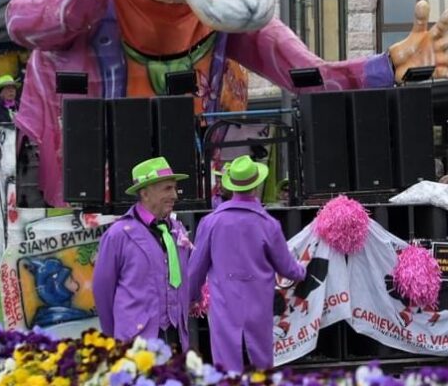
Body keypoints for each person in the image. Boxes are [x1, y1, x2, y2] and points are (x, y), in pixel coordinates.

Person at [185, 156, 305, 373]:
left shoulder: (211, 222)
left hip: (223, 301)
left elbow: (195, 270)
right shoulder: (268, 224)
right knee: (262, 364)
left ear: (231, 185)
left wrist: (193, 297)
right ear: (257, 183)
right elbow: (288, 269)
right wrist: (302, 270)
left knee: (225, 364)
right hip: (258, 302)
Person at [92, 157, 192, 346]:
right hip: (136, 340)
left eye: (174, 188)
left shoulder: (177, 230)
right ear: (145, 193)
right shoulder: (118, 235)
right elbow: (102, 292)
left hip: (176, 336)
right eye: (167, 189)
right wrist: (115, 337)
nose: (175, 196)